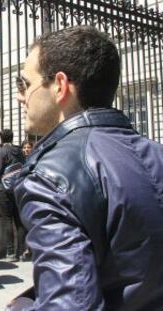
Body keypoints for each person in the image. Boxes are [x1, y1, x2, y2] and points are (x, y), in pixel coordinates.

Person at [13, 26, 163, 309]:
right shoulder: (156, 153)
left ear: (60, 85)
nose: (21, 96)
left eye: (24, 84)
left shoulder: (50, 175)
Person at [0, 129, 25, 262]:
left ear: (1, 138)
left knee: (7, 220)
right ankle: (22, 252)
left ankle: (10, 253)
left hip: (5, 189)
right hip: (19, 187)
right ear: (12, 137)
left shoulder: (1, 152)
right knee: (19, 220)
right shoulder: (19, 151)